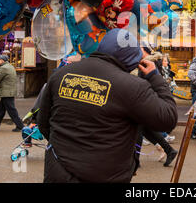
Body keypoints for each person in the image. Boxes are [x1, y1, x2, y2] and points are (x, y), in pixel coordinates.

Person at [37, 29, 178, 183]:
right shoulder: (132, 86)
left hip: (58, 171)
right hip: (107, 175)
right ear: (131, 60)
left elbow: (43, 123)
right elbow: (168, 119)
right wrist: (155, 77)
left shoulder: (61, 74)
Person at [0, 54, 24, 132]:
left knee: (11, 110)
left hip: (7, 92)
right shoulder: (10, 66)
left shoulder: (4, 68)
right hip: (9, 91)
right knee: (1, 110)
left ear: (2, 61)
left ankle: (20, 126)